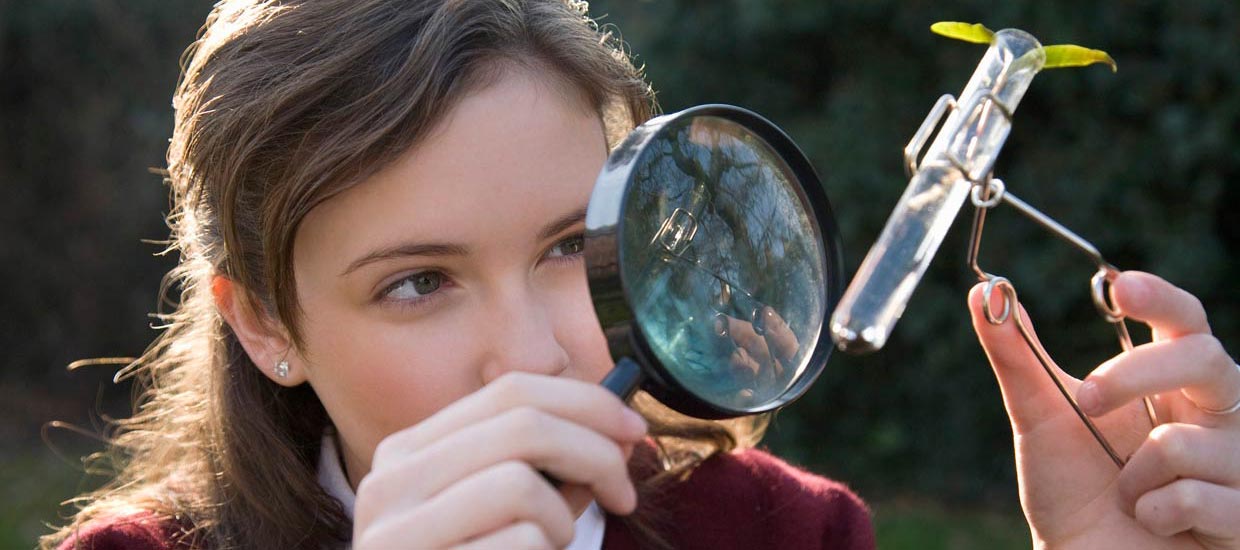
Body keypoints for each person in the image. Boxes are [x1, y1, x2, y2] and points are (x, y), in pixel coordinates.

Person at [42, 1, 1239, 549]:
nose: (535, 352)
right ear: (265, 327)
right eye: (417, 281)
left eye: (572, 247)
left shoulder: (783, 534)